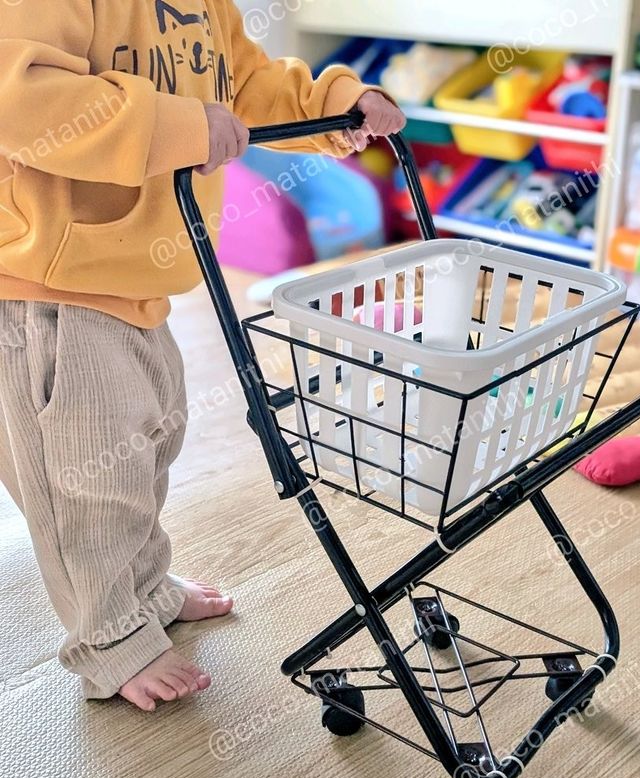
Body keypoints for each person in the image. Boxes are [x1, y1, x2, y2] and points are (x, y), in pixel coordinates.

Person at [0, 0, 405, 712]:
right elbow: (19, 99)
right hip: (50, 287)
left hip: (140, 276)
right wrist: (176, 126)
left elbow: (246, 81)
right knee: (83, 484)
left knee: (146, 449)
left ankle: (144, 589)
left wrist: (338, 106)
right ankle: (111, 639)